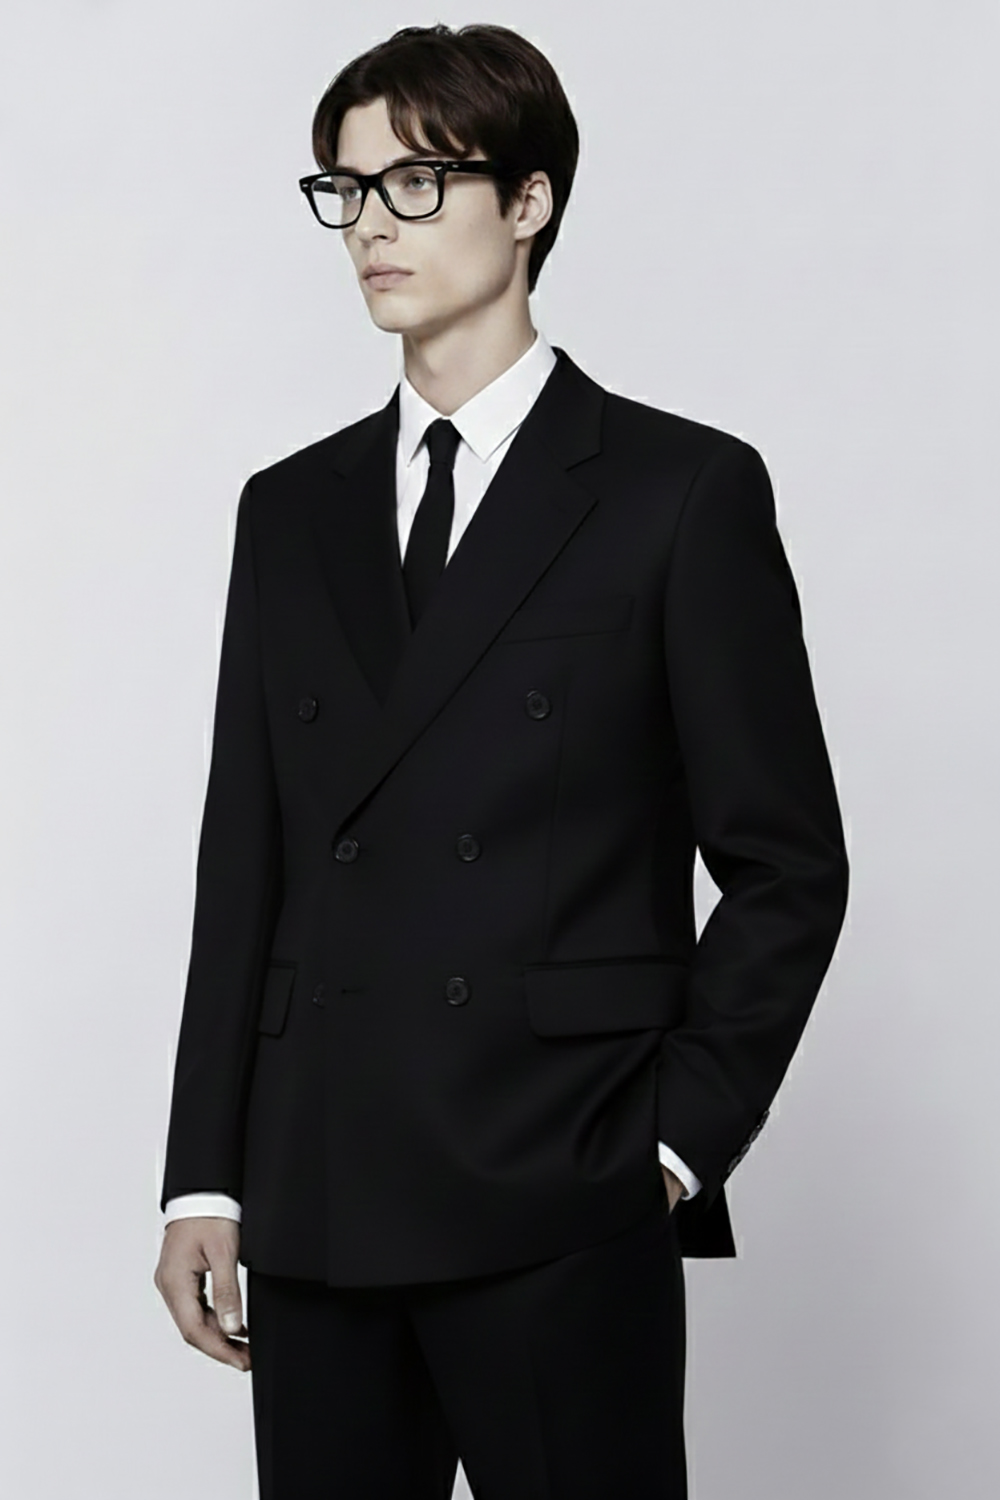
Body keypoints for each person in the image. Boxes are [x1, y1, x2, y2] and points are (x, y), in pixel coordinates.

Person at [154, 22, 849, 1499]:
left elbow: (787, 865)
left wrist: (670, 1149)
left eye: (416, 183)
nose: (372, 227)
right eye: (347, 190)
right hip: (322, 1185)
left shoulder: (677, 491)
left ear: (528, 201)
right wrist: (204, 1175)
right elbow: (248, 859)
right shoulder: (289, 510)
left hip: (558, 1186)